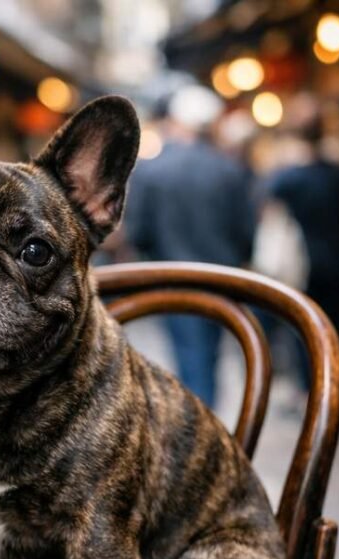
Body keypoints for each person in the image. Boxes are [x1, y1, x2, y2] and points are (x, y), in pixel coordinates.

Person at [124, 85, 254, 407]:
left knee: (189, 356)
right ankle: (206, 421)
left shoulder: (152, 171)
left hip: (171, 277)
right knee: (207, 356)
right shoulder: (230, 170)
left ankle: (200, 428)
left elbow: (138, 231)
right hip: (222, 279)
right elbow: (246, 230)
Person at [265, 114, 339, 389]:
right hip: (335, 259)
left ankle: (309, 390)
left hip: (299, 264)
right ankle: (332, 385)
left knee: (302, 329)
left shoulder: (286, 178)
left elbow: (271, 219)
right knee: (334, 327)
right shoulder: (338, 174)